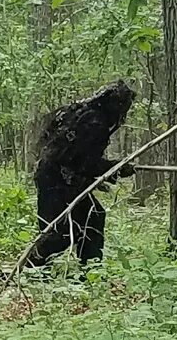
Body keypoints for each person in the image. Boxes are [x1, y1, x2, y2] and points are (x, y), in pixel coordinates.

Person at [25, 79, 137, 269]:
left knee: (92, 218)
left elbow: (78, 157)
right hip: (57, 179)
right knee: (60, 231)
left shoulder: (80, 113)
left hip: (56, 175)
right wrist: (116, 168)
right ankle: (33, 265)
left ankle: (90, 271)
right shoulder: (94, 123)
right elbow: (86, 164)